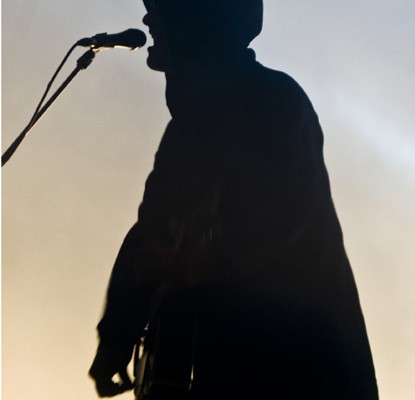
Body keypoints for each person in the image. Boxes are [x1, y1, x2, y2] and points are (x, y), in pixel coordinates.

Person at [89, 0, 379, 398]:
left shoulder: (274, 101)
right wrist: (116, 337)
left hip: (299, 373)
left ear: (199, 23)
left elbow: (282, 217)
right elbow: (149, 236)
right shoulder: (185, 134)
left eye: (165, 9)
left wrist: (199, 263)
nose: (148, 19)